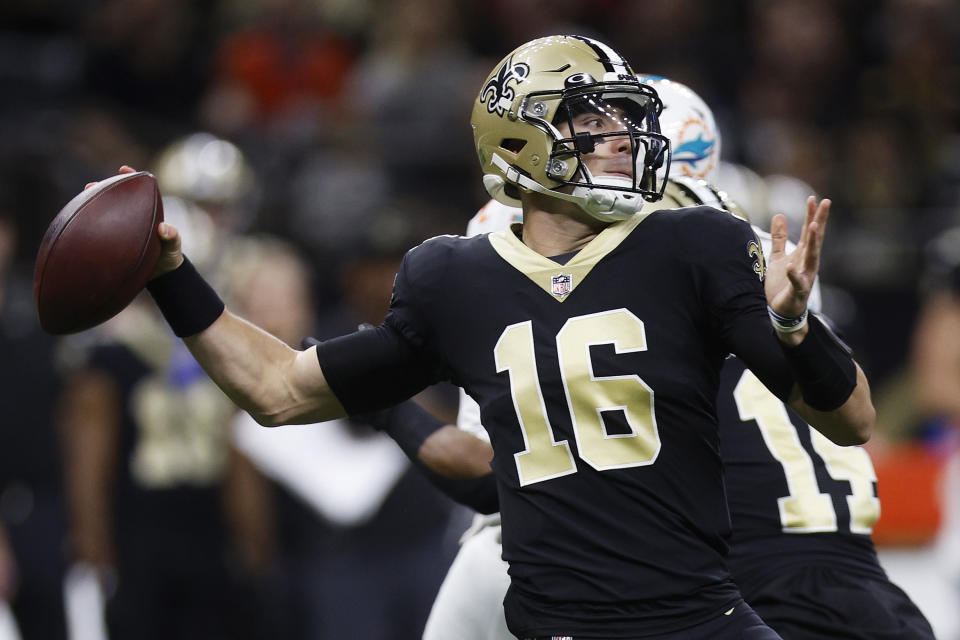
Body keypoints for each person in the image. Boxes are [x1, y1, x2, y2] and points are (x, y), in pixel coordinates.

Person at [96, 35, 874, 639]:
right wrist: (171, 272)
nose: (623, 137)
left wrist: (794, 325)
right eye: (593, 120)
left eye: (623, 118)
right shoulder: (454, 277)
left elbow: (853, 419)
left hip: (702, 619)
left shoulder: (693, 244)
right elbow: (277, 389)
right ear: (521, 141)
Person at [420, 76, 932, 640]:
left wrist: (386, 407)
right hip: (872, 597)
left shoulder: (647, 273)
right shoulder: (748, 249)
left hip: (745, 596)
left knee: (500, 554)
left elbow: (499, 482)